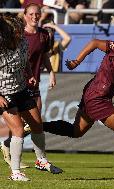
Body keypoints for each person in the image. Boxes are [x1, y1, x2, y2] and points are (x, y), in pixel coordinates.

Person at [42, 20, 114, 180]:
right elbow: (94, 43)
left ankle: (36, 125)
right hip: (98, 97)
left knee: (76, 131)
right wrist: (77, 62)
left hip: (95, 94)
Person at [0, 13, 62, 182]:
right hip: (4, 93)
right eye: (18, 30)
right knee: (19, 129)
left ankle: (41, 161)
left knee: (36, 125)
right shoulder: (1, 47)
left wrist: (28, 74)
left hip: (21, 89)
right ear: (9, 32)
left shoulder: (22, 43)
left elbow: (25, 61)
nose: (22, 32)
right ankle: (15, 172)